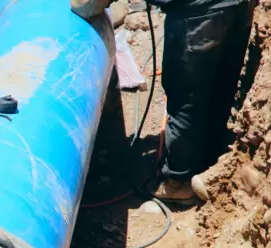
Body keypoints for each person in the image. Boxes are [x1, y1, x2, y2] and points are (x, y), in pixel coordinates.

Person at [72, 0, 255, 205]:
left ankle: (178, 182)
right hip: (240, 6)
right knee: (221, 84)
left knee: (187, 97)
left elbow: (86, 6)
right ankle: (211, 160)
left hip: (199, 16)